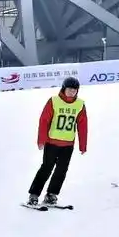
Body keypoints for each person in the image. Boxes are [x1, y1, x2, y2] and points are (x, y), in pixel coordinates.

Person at [26, 77, 88, 208]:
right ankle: (34, 195)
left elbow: (83, 126)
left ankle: (51, 194)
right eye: (69, 89)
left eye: (74, 90)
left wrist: (83, 145)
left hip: (68, 144)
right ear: (64, 88)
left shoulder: (80, 104)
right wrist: (41, 140)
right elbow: (44, 121)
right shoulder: (54, 101)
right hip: (52, 142)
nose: (72, 92)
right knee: (46, 168)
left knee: (61, 171)